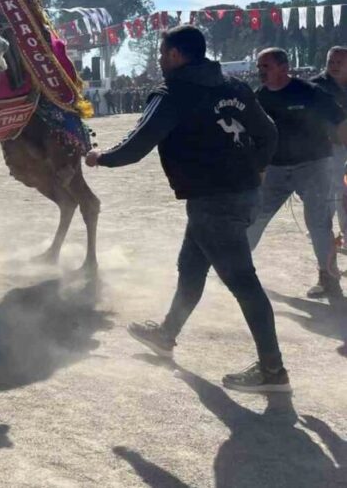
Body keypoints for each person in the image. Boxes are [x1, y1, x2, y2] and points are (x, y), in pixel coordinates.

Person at [86, 26, 289, 393]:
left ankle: (273, 370)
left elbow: (137, 144)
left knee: (244, 282)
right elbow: (270, 133)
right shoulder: (233, 86)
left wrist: (101, 157)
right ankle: (166, 334)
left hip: (214, 201)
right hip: (239, 194)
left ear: (176, 55)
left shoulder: (174, 93)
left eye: (162, 54)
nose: (160, 60)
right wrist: (254, 168)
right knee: (191, 268)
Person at [248, 48, 347, 299]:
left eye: (266, 66)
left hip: (314, 166)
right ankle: (235, 267)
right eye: (259, 67)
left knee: (319, 223)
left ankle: (329, 279)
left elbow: (341, 122)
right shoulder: (258, 98)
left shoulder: (310, 92)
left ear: (284, 68)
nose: (261, 72)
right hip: (275, 169)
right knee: (254, 217)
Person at [310, 46, 347, 251]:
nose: (334, 66)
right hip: (330, 148)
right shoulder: (315, 86)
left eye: (339, 62)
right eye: (331, 62)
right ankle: (327, 232)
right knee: (337, 191)